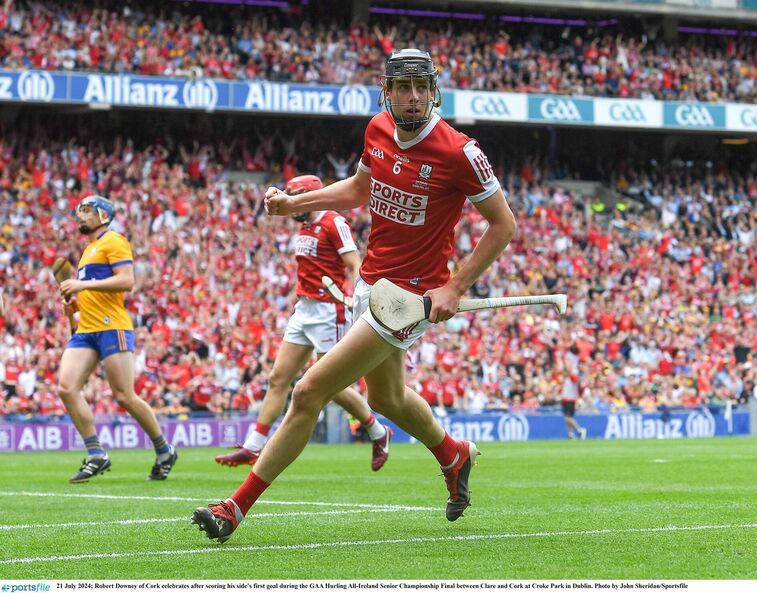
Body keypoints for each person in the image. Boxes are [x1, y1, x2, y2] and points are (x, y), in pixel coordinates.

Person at [192, 48, 516, 543]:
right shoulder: (377, 130)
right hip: (371, 282)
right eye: (402, 88)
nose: (412, 98)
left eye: (421, 88)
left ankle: (235, 507)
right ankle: (453, 454)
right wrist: (295, 204)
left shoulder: (459, 152)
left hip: (406, 299)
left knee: (307, 391)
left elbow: (503, 224)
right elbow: (358, 191)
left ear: (435, 92)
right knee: (385, 397)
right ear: (386, 92)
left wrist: (454, 286)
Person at [214, 174, 393, 471]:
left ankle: (376, 430)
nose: (292, 203)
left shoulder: (334, 222)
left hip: (328, 311)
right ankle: (253, 446)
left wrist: (360, 301)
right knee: (278, 377)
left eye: (296, 196)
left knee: (330, 385)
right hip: (304, 308)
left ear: (310, 195)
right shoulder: (306, 226)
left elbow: (354, 265)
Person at [57, 195, 177, 483]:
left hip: (113, 327)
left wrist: (82, 284)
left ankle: (164, 450)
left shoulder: (114, 240)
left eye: (86, 211)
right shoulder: (88, 251)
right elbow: (91, 295)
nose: (80, 216)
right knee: (66, 388)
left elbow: (127, 281)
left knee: (124, 395)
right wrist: (72, 309)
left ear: (102, 214)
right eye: (79, 212)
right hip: (86, 329)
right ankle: (97, 454)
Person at [560, 347, 587, 439]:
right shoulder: (572, 372)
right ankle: (570, 433)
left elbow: (575, 380)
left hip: (570, 397)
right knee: (568, 416)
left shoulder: (574, 372)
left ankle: (579, 429)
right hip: (567, 396)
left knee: (567, 417)